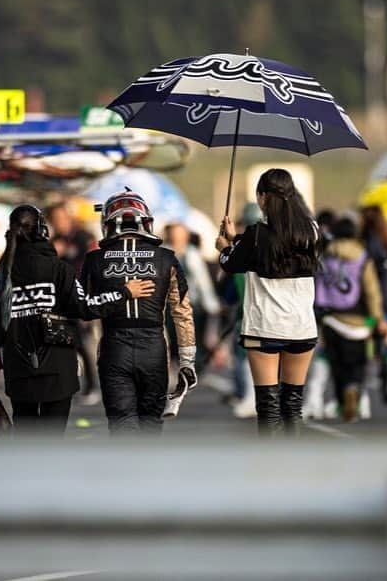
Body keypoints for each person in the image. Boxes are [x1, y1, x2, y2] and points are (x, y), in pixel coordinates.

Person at [0, 205, 154, 436]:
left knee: (24, 442)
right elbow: (85, 307)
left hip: (19, 369)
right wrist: (123, 293)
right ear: (43, 230)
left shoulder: (1, 276)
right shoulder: (59, 269)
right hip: (57, 368)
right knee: (52, 443)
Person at [81, 192, 196, 435]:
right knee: (151, 424)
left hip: (114, 347)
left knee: (122, 423)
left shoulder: (94, 259)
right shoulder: (167, 258)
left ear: (108, 222)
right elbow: (182, 312)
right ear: (146, 221)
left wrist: (117, 294)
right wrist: (187, 360)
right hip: (154, 348)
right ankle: (148, 471)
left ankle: (126, 471)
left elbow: (84, 308)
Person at [217, 168, 319, 437]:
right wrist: (236, 239)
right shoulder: (312, 231)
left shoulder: (256, 234)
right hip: (302, 327)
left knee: (268, 405)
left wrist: (225, 246)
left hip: (264, 327)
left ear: (262, 197)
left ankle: (273, 467)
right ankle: (295, 463)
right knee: (293, 405)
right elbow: (274, 247)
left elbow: (231, 263)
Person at [315, 215, 387, 422]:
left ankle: (342, 401)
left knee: (336, 365)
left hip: (331, 318)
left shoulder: (325, 255)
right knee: (358, 364)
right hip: (359, 321)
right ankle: (353, 390)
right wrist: (378, 318)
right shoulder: (362, 257)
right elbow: (372, 290)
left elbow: (317, 284)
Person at [163, 222, 220, 371]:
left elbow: (202, 280)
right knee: (173, 336)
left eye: (181, 233)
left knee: (193, 336)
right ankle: (177, 363)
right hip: (170, 304)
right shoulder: (163, 253)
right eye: (175, 233)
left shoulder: (192, 253)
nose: (177, 237)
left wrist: (211, 303)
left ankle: (195, 366)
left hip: (192, 302)